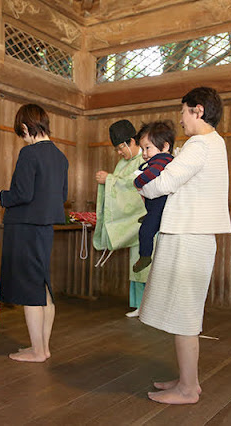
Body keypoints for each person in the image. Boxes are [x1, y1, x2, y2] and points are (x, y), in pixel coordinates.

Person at [137, 87, 231, 405]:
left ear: (198, 111)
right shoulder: (214, 143)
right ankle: (185, 379)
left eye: (183, 111)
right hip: (194, 235)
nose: (181, 119)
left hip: (188, 237)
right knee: (184, 314)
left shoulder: (199, 144)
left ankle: (189, 389)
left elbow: (162, 184)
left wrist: (141, 185)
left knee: (185, 317)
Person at [0, 104, 68, 363]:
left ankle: (37, 350)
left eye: (21, 132)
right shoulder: (60, 157)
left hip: (25, 227)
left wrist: (0, 196)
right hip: (44, 227)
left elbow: (22, 194)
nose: (22, 138)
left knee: (31, 288)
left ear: (25, 127)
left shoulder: (29, 154)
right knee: (43, 285)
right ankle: (42, 347)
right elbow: (62, 196)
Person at [93, 119, 150, 318]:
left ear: (131, 142)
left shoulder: (144, 159)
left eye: (120, 148)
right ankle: (138, 305)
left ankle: (149, 307)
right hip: (133, 224)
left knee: (146, 263)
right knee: (136, 264)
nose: (119, 153)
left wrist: (108, 179)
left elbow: (133, 186)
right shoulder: (123, 163)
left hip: (146, 221)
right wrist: (109, 179)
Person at [132, 121, 175, 272]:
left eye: (148, 148)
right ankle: (149, 215)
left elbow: (152, 173)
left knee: (145, 232)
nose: (144, 153)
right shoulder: (164, 159)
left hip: (159, 207)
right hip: (156, 206)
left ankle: (145, 256)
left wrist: (138, 181)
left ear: (164, 146)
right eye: (142, 148)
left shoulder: (161, 160)